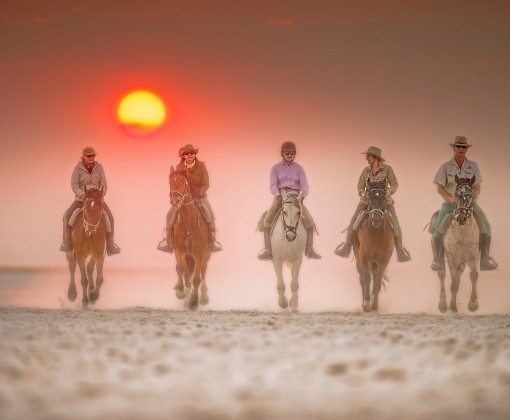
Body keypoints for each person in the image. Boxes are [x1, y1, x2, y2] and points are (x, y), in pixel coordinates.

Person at [431, 136, 498, 271]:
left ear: (466, 149)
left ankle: (485, 258)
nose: (461, 149)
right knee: (438, 227)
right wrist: (450, 197)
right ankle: (438, 259)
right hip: (451, 203)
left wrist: (473, 197)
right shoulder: (445, 167)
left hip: (468, 203)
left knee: (486, 226)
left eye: (463, 147)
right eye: (458, 146)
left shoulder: (473, 166)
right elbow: (440, 188)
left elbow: (477, 186)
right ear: (454, 148)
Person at [335, 146, 411, 262]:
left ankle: (400, 252)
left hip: (384, 201)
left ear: (376, 157)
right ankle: (346, 248)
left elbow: (394, 184)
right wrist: (362, 193)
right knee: (354, 221)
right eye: (367, 156)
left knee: (395, 223)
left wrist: (390, 191)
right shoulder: (365, 171)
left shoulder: (388, 169)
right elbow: (360, 186)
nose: (367, 158)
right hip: (367, 201)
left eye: (369, 156)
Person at [258, 141, 321, 260]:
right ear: (282, 154)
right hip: (281, 196)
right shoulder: (275, 168)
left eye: (292, 153)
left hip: (296, 197)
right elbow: (273, 185)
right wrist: (277, 195)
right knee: (267, 221)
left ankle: (309, 250)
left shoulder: (299, 168)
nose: (290, 155)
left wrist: (301, 196)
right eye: (287, 153)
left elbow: (305, 186)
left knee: (310, 222)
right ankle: (268, 251)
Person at [157, 144, 222, 253]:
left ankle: (212, 241)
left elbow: (206, 183)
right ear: (183, 156)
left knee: (210, 214)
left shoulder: (201, 166)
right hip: (183, 197)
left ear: (195, 154)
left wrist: (200, 192)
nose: (190, 155)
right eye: (187, 153)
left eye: (192, 153)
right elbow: (176, 183)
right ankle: (168, 241)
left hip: (200, 196)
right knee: (169, 216)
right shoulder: (179, 168)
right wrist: (176, 195)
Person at [60, 146, 121, 256]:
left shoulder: (99, 168)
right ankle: (68, 242)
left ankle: (110, 245)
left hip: (97, 199)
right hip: (82, 199)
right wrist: (82, 194)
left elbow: (103, 182)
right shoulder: (77, 169)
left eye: (93, 155)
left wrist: (102, 192)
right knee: (67, 216)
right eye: (89, 156)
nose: (91, 157)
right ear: (83, 157)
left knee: (110, 218)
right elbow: (74, 185)